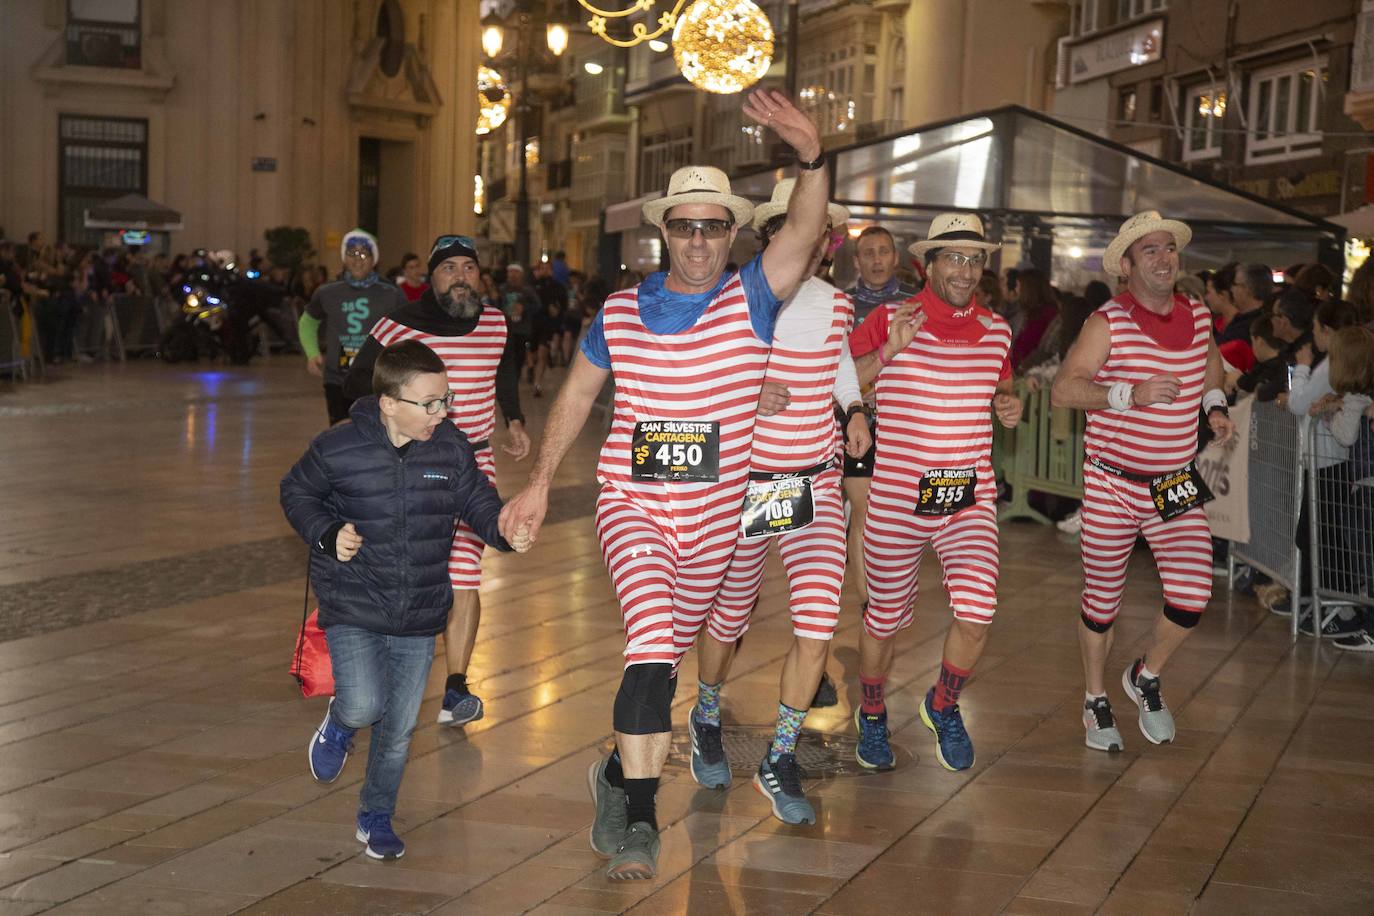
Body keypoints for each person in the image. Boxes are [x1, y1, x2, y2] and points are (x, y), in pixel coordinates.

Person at [497, 89, 829, 881]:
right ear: (665, 233)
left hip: (717, 520)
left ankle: (615, 776)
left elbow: (808, 230)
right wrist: (540, 484)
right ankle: (644, 823)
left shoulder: (753, 298)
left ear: (733, 234)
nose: (701, 240)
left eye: (716, 226)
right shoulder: (619, 311)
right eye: (686, 225)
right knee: (648, 647)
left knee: (668, 661)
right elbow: (576, 395)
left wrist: (812, 156)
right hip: (635, 506)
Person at [280, 340, 527, 862]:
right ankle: (342, 723)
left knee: (398, 729)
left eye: (447, 400)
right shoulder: (338, 448)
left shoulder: (450, 447)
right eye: (431, 402)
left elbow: (479, 502)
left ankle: (376, 816)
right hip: (353, 599)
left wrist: (505, 530)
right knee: (366, 703)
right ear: (390, 402)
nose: (444, 412)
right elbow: (295, 492)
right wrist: (327, 534)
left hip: (419, 609)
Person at [691, 179, 869, 823]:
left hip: (816, 480)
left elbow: (840, 363)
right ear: (772, 237)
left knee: (819, 624)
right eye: (802, 229)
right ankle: (706, 713)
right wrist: (743, 392)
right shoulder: (732, 301)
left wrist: (852, 409)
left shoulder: (838, 304)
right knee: (730, 614)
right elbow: (694, 375)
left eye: (822, 232)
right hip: (751, 482)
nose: (814, 243)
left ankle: (781, 756)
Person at [1051, 211, 1236, 752]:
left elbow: (1211, 366)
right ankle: (1094, 699)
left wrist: (1215, 406)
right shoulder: (1107, 321)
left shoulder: (1198, 315)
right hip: (1112, 483)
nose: (1163, 258)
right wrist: (1129, 393)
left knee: (1193, 594)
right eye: (1149, 251)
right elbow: (1064, 390)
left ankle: (1145, 677)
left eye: (1168, 249)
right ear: (1127, 265)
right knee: (1102, 602)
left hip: (1172, 484)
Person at [846, 213, 1022, 772]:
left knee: (978, 610)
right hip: (897, 496)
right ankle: (871, 711)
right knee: (884, 619)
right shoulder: (889, 317)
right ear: (928, 264)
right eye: (954, 258)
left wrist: (1008, 406)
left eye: (975, 260)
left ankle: (942, 705)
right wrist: (890, 350)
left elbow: (1003, 385)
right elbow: (843, 377)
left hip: (967, 495)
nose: (966, 271)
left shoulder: (996, 330)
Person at [344, 235, 530, 728]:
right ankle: (378, 670)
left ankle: (456, 688)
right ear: (432, 277)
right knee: (406, 568)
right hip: (410, 468)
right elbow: (358, 381)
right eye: (449, 268)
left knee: (465, 572)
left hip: (473, 467)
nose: (462, 277)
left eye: (469, 267)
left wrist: (513, 418)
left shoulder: (494, 323)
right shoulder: (400, 325)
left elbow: (504, 366)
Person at [840, 226, 919, 624]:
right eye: (867, 253)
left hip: (905, 423)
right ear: (856, 261)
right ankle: (869, 601)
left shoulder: (916, 305)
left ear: (895, 257)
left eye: (883, 251)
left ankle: (893, 589)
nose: (875, 259)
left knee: (896, 513)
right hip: (856, 418)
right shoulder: (842, 306)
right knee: (863, 509)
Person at [298, 229, 405, 425]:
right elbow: (307, 322)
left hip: (377, 378)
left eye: (364, 253)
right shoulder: (327, 292)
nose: (358, 259)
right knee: (341, 432)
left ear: (374, 259)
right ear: (344, 258)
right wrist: (312, 353)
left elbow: (407, 330)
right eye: (351, 253)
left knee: (378, 433)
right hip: (337, 379)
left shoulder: (391, 294)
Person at [1227, 313, 1287, 402]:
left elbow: (1256, 386)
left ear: (1259, 341)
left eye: (1252, 342)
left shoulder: (1275, 369)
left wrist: (1239, 381)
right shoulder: (1281, 363)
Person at [530, 261, 567, 396]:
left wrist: (557, 314)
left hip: (548, 325)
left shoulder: (558, 287)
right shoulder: (532, 286)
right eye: (542, 269)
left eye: (547, 268)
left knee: (542, 353)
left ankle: (537, 384)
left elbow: (563, 306)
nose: (545, 271)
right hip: (533, 325)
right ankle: (532, 371)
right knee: (533, 355)